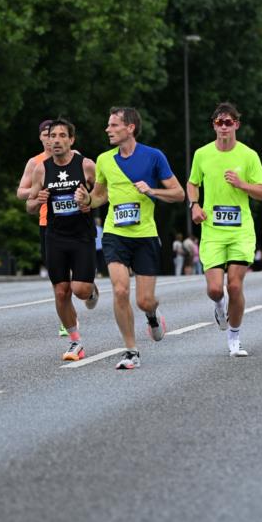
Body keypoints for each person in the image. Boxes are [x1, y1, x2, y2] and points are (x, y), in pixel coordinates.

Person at [75, 107, 184, 369]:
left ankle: (152, 314)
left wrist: (152, 190)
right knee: (120, 289)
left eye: (113, 125)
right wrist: (88, 200)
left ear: (130, 128)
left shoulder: (154, 156)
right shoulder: (104, 160)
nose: (107, 129)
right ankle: (131, 350)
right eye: (108, 124)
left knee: (144, 299)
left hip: (145, 235)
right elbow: (101, 196)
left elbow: (179, 194)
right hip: (115, 234)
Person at [187, 102, 262, 357]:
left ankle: (234, 337)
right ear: (214, 126)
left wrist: (242, 184)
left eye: (228, 122)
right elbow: (192, 183)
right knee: (215, 289)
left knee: (235, 286)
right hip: (212, 231)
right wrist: (194, 205)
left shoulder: (248, 155)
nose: (224, 127)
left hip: (240, 231)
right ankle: (219, 304)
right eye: (219, 122)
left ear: (236, 125)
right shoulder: (202, 154)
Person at [27, 118, 98, 362]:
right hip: (55, 236)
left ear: (71, 140)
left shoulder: (86, 165)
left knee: (80, 289)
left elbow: (103, 195)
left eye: (61, 136)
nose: (55, 140)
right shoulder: (42, 168)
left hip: (82, 236)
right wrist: (37, 201)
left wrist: (88, 200)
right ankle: (75, 341)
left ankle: (90, 290)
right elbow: (29, 205)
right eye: (52, 136)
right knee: (60, 291)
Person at [17, 119, 67, 336]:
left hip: (73, 222)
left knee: (76, 280)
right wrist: (38, 192)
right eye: (47, 135)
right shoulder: (35, 163)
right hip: (47, 224)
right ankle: (66, 319)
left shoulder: (73, 159)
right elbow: (21, 192)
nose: (51, 139)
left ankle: (86, 286)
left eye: (55, 134)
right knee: (58, 278)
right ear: (41, 138)